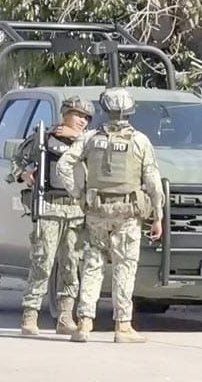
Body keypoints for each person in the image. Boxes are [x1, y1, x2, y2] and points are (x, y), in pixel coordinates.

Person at [56, 87, 164, 343]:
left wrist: (78, 195)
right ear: (130, 111)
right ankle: (123, 326)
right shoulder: (140, 141)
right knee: (124, 267)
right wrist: (158, 215)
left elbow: (64, 165)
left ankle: (84, 323)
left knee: (93, 265)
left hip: (96, 211)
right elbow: (153, 183)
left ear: (105, 110)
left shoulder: (90, 138)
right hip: (127, 214)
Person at [10, 96, 94, 336]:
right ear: (65, 113)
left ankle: (66, 316)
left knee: (71, 264)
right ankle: (30, 315)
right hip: (49, 206)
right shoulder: (43, 139)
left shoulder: (87, 143)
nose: (82, 121)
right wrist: (24, 174)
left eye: (86, 117)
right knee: (43, 261)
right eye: (78, 115)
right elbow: (15, 163)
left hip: (76, 209)